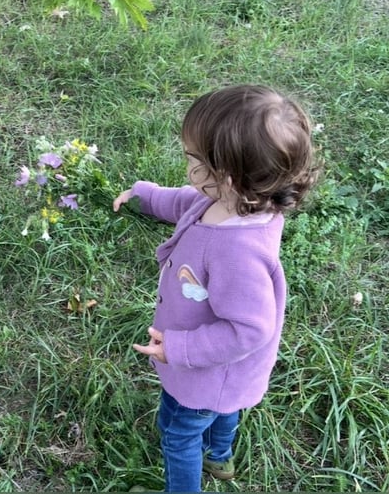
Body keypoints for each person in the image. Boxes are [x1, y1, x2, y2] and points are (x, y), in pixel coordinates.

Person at [113, 85, 317, 492]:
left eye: (192, 159)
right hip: (228, 377)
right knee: (225, 411)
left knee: (178, 432)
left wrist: (179, 349)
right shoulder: (237, 200)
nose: (187, 165)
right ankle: (220, 458)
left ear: (225, 175)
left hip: (205, 373)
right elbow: (186, 202)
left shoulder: (237, 252)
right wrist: (145, 197)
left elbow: (249, 329)